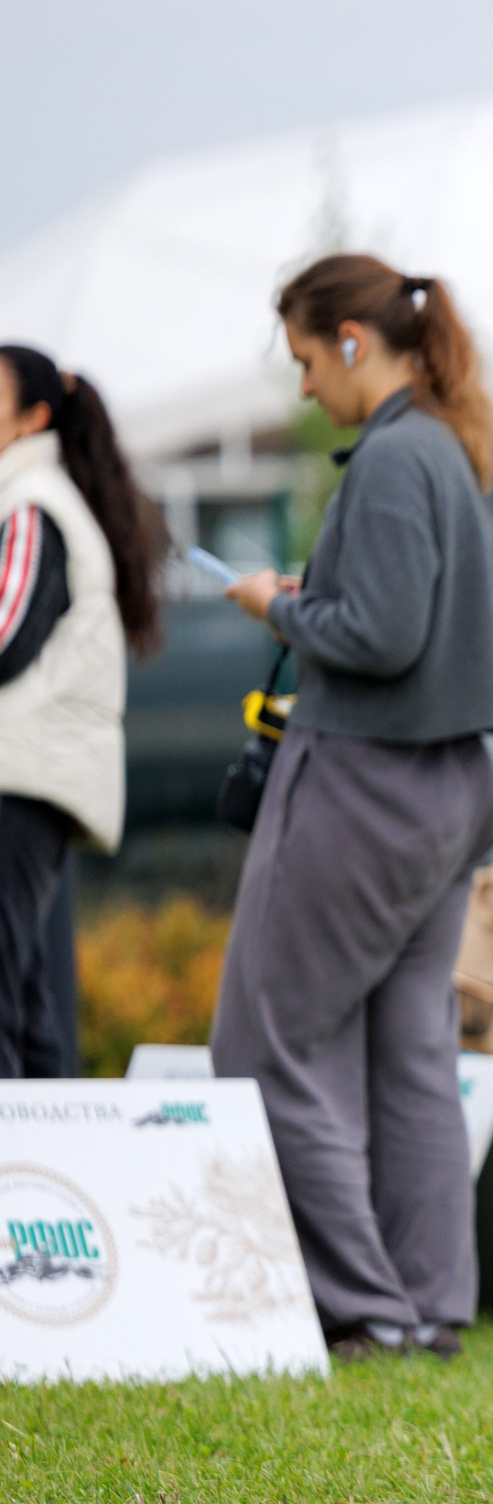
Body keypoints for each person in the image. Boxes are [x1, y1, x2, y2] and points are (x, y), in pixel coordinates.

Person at [211, 256, 493, 1363]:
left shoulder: (398, 456)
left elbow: (381, 635)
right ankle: (427, 1305)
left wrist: (279, 603)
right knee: (408, 1053)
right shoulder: (480, 446)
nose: (305, 388)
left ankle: (362, 1307)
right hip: (458, 785)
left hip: (366, 777)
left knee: (264, 1043)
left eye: (307, 360)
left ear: (353, 340)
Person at [0, 346, 163, 1076]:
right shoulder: (37, 498)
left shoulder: (31, 505)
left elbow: (4, 640)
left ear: (33, 418)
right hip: (32, 783)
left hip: (17, 779)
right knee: (30, 1011)